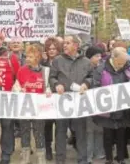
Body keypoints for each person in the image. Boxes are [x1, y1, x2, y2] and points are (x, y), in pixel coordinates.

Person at [49, 34, 93, 164]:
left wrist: (87, 83)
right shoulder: (57, 60)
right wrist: (56, 85)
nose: (64, 45)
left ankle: (82, 160)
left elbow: (92, 76)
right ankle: (60, 160)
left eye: (67, 43)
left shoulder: (86, 61)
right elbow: (52, 77)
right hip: (62, 102)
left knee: (81, 133)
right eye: (64, 43)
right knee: (60, 133)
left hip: (79, 103)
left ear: (75, 45)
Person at [92, 47, 130, 164]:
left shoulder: (127, 66)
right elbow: (95, 85)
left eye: (124, 62)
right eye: (120, 63)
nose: (122, 65)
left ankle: (120, 158)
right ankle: (109, 158)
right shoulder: (101, 68)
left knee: (121, 134)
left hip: (122, 107)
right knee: (108, 135)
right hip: (107, 108)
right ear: (113, 58)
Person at [14, 44, 51, 164]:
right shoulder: (22, 69)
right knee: (24, 131)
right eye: (27, 56)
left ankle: (41, 158)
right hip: (25, 106)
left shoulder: (46, 71)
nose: (27, 59)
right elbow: (16, 85)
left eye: (30, 56)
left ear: (38, 56)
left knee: (39, 132)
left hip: (39, 108)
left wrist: (49, 91)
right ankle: (25, 157)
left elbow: (48, 87)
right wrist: (19, 90)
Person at [0, 31, 20, 164]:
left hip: (7, 98)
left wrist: (15, 90)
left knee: (7, 126)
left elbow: (19, 76)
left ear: (2, 40)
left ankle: (6, 153)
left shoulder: (11, 56)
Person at [41, 37, 62, 161]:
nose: (52, 51)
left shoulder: (61, 62)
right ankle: (48, 149)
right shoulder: (43, 63)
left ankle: (58, 148)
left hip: (58, 97)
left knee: (59, 125)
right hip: (46, 98)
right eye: (49, 49)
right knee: (47, 125)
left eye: (54, 48)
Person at [85, 46, 105, 163]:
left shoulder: (103, 69)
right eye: (96, 56)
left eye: (100, 56)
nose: (99, 58)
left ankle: (99, 152)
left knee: (99, 129)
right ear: (90, 57)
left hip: (99, 103)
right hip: (87, 103)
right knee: (89, 130)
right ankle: (88, 155)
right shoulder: (85, 68)